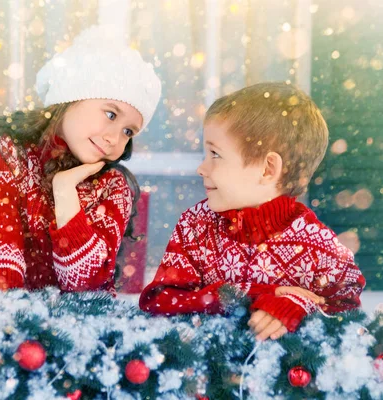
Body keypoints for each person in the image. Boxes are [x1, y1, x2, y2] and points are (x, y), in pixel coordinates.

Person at [139, 82, 366, 341]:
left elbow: (348, 319)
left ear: (268, 169)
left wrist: (297, 306)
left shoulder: (318, 246)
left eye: (215, 154)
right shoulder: (195, 227)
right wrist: (251, 294)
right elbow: (159, 301)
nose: (202, 168)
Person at [0, 26, 161, 295]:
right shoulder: (8, 155)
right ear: (70, 97)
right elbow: (0, 274)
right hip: (17, 328)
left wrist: (65, 193)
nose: (115, 138)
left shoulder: (114, 187)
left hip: (88, 332)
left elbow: (87, 293)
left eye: (128, 131)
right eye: (111, 114)